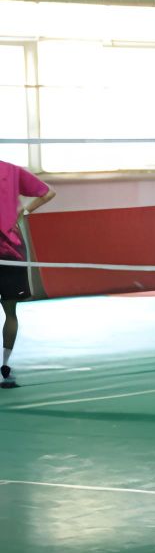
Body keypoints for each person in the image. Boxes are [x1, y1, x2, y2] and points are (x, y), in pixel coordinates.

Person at [1, 158, 54, 390]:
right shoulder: (11, 170)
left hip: (10, 255)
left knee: (11, 313)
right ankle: (5, 368)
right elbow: (48, 193)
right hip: (12, 252)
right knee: (10, 313)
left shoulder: (12, 170)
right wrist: (23, 210)